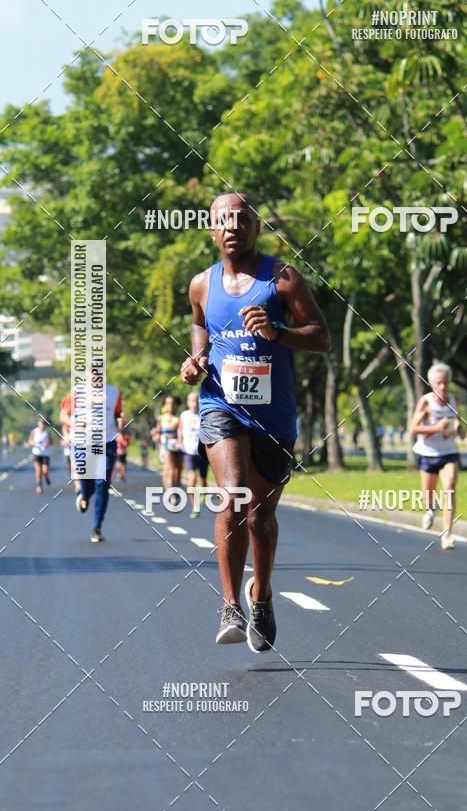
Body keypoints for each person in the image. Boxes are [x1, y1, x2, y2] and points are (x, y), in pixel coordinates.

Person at [181, 191, 330, 652]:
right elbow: (200, 324)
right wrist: (197, 358)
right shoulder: (201, 284)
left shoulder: (282, 278)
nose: (232, 227)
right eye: (223, 220)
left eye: (241, 219)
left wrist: (277, 331)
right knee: (233, 496)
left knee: (261, 516)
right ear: (212, 231)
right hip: (220, 405)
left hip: (274, 416)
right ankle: (230, 605)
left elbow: (321, 336)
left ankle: (260, 595)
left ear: (255, 227)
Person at [410, 362, 466, 549]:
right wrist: (436, 428)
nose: (443, 387)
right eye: (439, 383)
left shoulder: (454, 400)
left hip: (448, 452)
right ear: (431, 383)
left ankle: (447, 534)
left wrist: (459, 430)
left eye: (446, 383)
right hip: (427, 453)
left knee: (449, 487)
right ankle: (431, 509)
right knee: (428, 496)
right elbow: (413, 428)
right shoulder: (426, 402)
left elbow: (459, 424)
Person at [61, 377, 123, 543]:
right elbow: (63, 415)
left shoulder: (113, 392)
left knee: (102, 484)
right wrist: (75, 424)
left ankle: (97, 527)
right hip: (83, 443)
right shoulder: (77, 391)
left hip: (106, 442)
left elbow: (118, 414)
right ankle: (85, 494)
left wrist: (121, 424)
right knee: (86, 482)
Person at [178, 391, 209, 518]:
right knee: (191, 480)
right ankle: (195, 507)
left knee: (202, 479)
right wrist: (179, 441)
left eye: (196, 401)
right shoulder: (184, 415)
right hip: (189, 451)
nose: (194, 404)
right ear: (187, 402)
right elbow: (180, 429)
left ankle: (204, 493)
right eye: (191, 401)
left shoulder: (204, 414)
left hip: (202, 452)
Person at [152, 396, 183, 505]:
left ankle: (176, 490)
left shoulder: (178, 419)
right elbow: (158, 431)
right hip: (166, 446)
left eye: (173, 403)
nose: (170, 406)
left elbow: (181, 433)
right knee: (169, 470)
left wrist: (180, 441)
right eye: (168, 403)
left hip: (178, 446)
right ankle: (170, 494)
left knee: (177, 471)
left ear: (177, 405)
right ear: (164, 405)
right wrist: (156, 435)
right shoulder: (161, 418)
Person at [27, 417, 52, 494]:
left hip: (45, 454)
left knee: (45, 471)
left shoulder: (47, 432)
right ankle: (39, 485)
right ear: (38, 423)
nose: (42, 425)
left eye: (44, 423)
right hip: (37, 453)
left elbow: (51, 442)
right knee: (38, 470)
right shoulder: (34, 431)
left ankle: (46, 476)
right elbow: (29, 441)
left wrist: (47, 444)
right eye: (41, 423)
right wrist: (34, 443)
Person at [115, 417, 130, 483]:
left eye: (122, 423)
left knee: (123, 464)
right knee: (119, 463)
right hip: (117, 450)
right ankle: (119, 474)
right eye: (120, 423)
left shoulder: (125, 432)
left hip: (123, 451)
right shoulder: (116, 431)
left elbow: (127, 442)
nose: (121, 425)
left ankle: (122, 475)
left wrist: (125, 441)